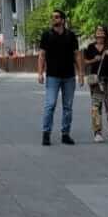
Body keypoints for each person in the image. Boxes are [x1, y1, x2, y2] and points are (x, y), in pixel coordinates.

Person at [37, 9, 80, 146]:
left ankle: (65, 134)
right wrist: (40, 73)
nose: (53, 19)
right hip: (52, 77)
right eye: (52, 17)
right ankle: (46, 134)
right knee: (50, 105)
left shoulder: (71, 36)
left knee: (68, 107)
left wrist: (81, 74)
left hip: (69, 77)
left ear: (62, 20)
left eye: (56, 17)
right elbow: (42, 55)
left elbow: (77, 55)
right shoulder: (46, 35)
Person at [81, 25, 108, 143]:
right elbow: (85, 62)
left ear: (105, 34)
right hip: (97, 80)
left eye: (101, 31)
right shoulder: (91, 47)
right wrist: (95, 59)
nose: (99, 34)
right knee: (96, 106)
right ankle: (97, 132)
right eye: (97, 31)